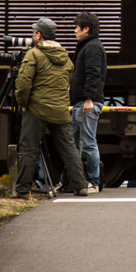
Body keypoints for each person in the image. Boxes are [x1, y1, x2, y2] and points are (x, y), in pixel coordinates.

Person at [14, 18, 88, 198]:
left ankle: (23, 190)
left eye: (34, 32)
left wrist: (23, 103)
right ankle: (81, 186)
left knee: (28, 149)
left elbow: (23, 84)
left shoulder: (33, 54)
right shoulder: (65, 57)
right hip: (60, 109)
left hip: (37, 109)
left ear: (38, 35)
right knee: (69, 148)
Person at [68, 11, 107, 194]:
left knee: (89, 143)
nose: (75, 30)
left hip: (86, 103)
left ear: (86, 29)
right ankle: (73, 181)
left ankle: (93, 182)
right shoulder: (87, 46)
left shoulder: (92, 47)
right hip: (80, 103)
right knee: (73, 144)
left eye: (77, 27)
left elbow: (94, 74)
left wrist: (89, 98)